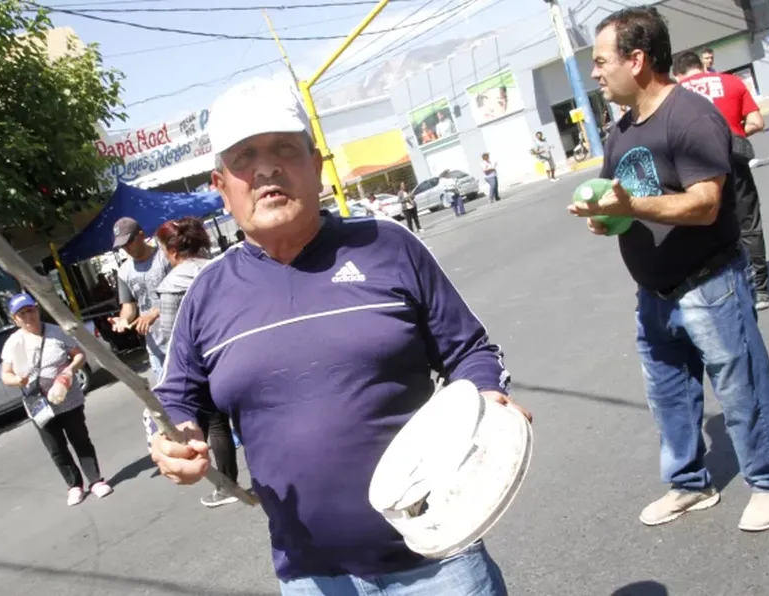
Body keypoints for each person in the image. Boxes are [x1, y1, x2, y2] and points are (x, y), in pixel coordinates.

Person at [149, 77, 531, 595]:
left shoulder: (388, 246)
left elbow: (470, 351)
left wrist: (488, 401)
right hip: (310, 575)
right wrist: (177, 438)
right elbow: (174, 397)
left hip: (438, 557)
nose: (266, 169)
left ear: (317, 165)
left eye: (285, 148)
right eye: (244, 158)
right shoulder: (206, 295)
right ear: (221, 186)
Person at [570, 6, 769, 532]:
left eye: (602, 62)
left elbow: (704, 205)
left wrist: (628, 209)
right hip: (654, 292)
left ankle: (768, 479)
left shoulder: (690, 116)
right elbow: (620, 198)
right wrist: (605, 219)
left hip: (710, 283)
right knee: (668, 394)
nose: (596, 73)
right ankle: (690, 485)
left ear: (638, 59)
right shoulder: (621, 129)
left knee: (740, 386)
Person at [146, 217, 240, 509]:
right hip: (237, 354)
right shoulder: (225, 268)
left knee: (215, 424)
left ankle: (226, 485)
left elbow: (173, 340)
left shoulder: (171, 285)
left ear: (170, 251)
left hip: (201, 365)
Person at [674, 51, 769, 310]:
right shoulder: (731, 82)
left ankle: (723, 291)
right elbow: (756, 122)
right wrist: (734, 131)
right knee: (749, 223)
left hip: (695, 168)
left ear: (678, 74)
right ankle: (760, 291)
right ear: (701, 66)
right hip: (734, 160)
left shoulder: (673, 94)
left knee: (707, 227)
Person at [0, 293, 113, 506]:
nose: (28, 317)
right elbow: (5, 375)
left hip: (68, 399)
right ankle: (74, 486)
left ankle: (96, 481)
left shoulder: (56, 332)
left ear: (37, 309)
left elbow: (79, 355)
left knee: (80, 440)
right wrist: (17, 380)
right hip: (39, 405)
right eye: (21, 314)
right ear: (15, 319)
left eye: (30, 311)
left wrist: (69, 371)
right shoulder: (13, 343)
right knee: (56, 448)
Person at [108, 217, 171, 379]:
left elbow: (180, 294)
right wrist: (123, 320)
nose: (126, 248)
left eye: (129, 241)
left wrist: (154, 313)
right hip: (156, 347)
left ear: (141, 235)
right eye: (122, 245)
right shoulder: (124, 272)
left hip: (180, 339)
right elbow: (128, 306)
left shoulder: (165, 257)